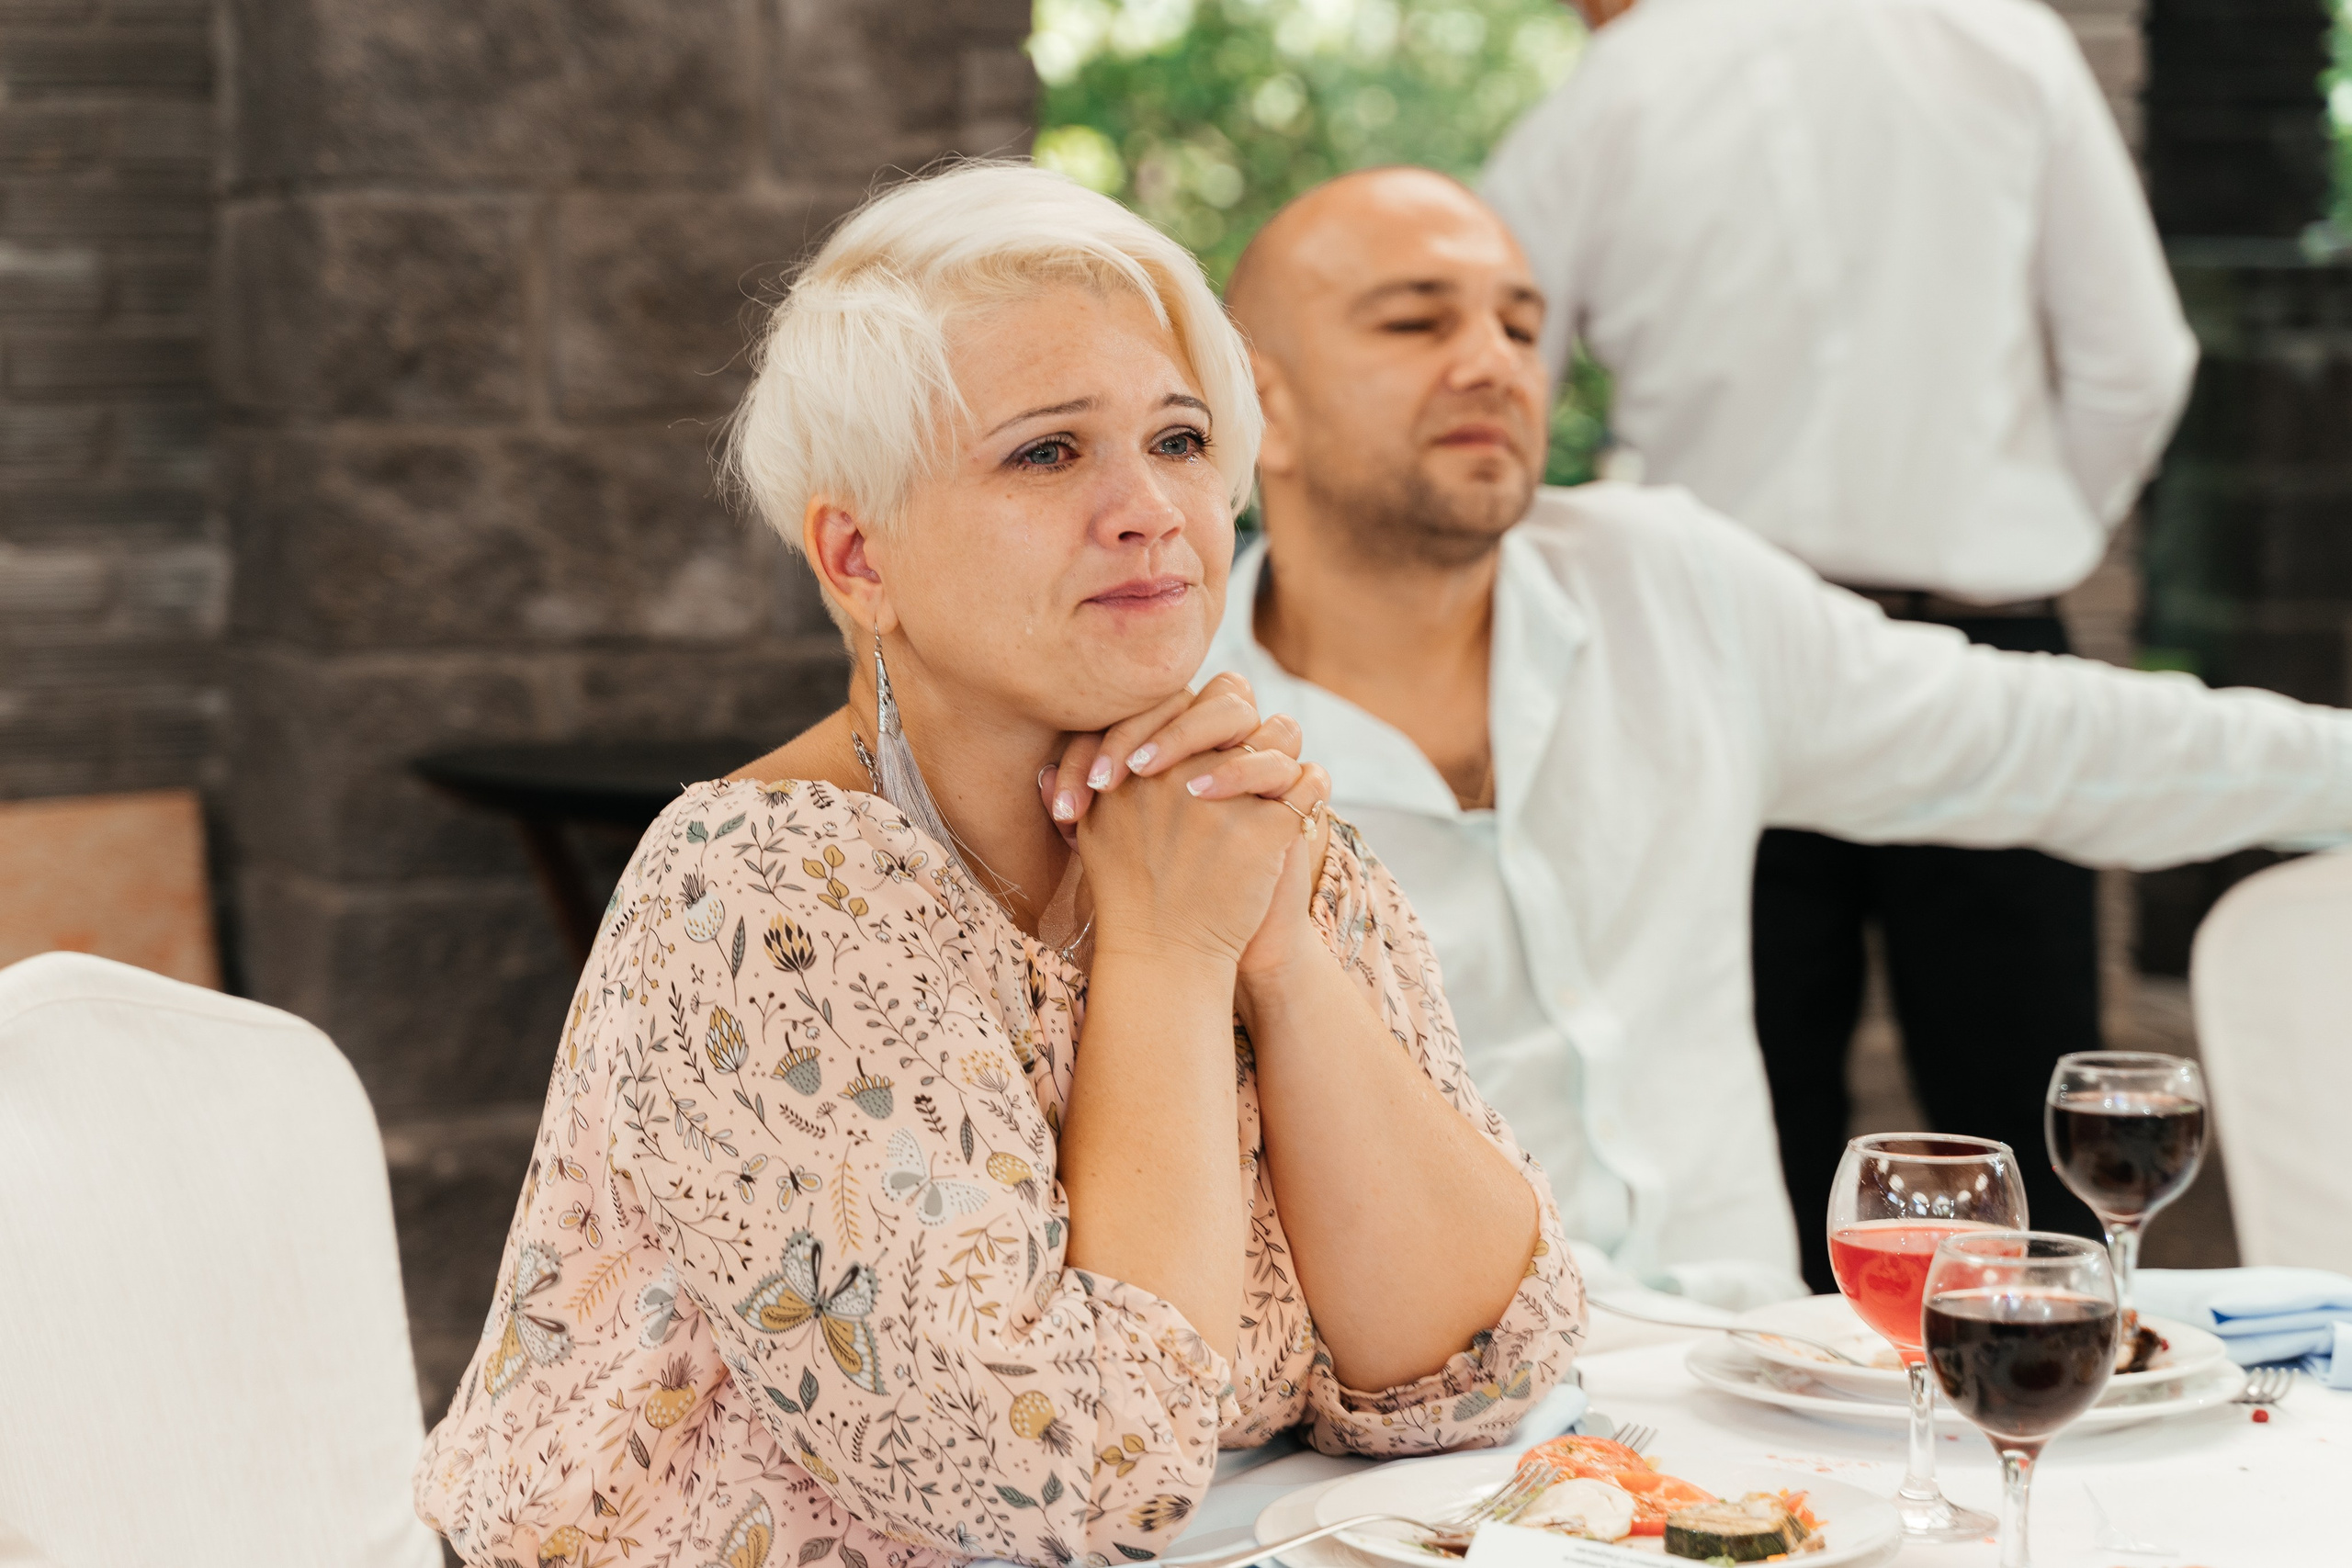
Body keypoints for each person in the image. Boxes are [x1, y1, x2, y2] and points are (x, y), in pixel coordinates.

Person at [412, 164, 1581, 1567]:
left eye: (1182, 440)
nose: (1151, 508)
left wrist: (1272, 949)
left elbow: (1480, 1369)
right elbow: (1059, 1490)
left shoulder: (1230, 823)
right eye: (1048, 453)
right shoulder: (761, 896)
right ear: (857, 557)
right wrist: (1167, 953)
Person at [1038, 166, 2352, 1312]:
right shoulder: (1158, 727)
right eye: (1415, 319)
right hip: (1419, 1426)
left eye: (1520, 320)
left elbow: (2063, 740)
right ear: (1257, 395)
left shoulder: (1667, 585)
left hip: (1758, 1369)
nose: (1493, 358)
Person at [1478, 0, 2199, 1287]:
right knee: (2029, 1127)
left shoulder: (1619, 83)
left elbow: (1484, 368)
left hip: (1717, 654)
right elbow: (2136, 363)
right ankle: (2048, 1442)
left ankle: (1766, 1458)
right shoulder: (2009, 39)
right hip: (1980, 646)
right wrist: (2024, 529)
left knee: (1740, 1110)